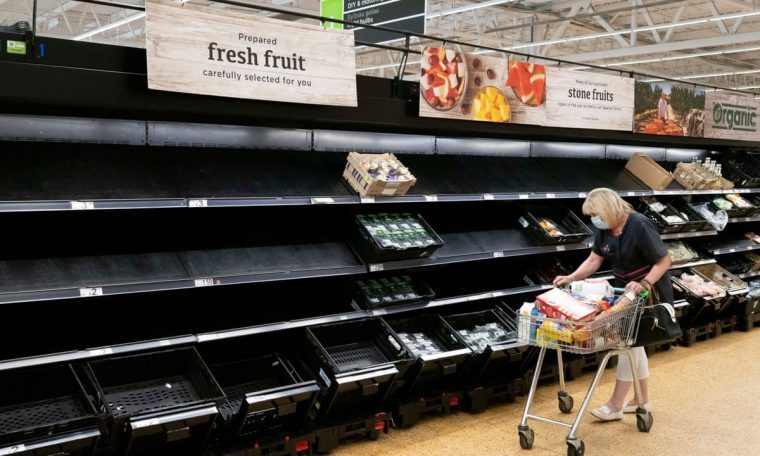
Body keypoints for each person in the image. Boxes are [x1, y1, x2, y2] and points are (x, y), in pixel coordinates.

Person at [552, 187, 673, 421]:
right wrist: (571, 277)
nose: (593, 219)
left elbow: (663, 261)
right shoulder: (605, 230)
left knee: (628, 345)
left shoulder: (639, 225)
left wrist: (645, 282)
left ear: (609, 208)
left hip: (649, 292)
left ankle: (616, 404)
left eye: (595, 213)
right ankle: (641, 400)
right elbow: (594, 259)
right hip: (624, 294)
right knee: (633, 344)